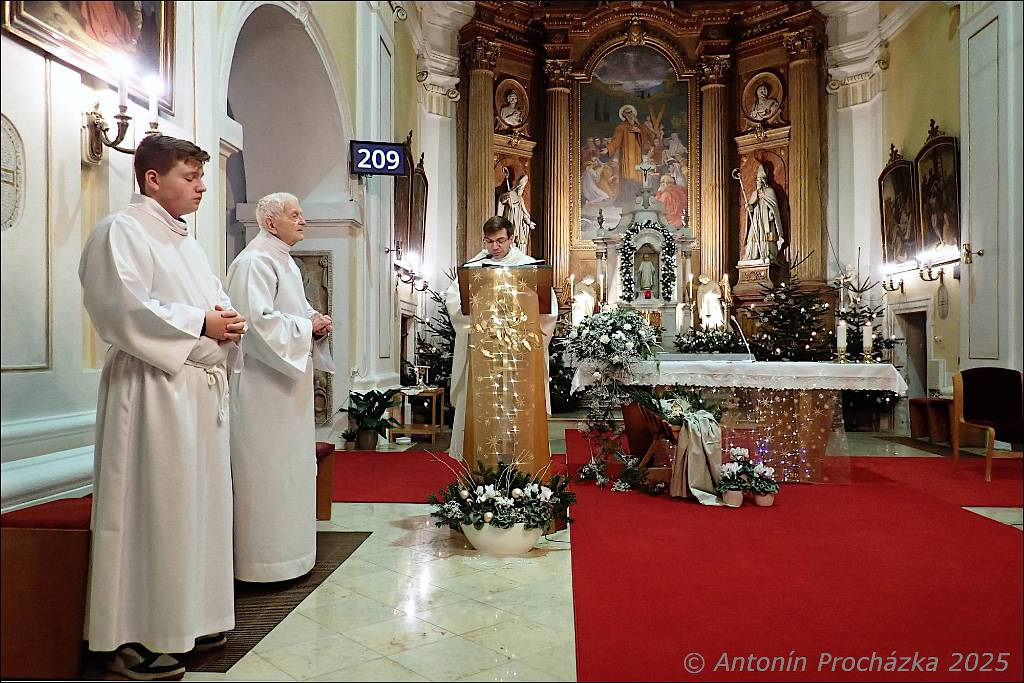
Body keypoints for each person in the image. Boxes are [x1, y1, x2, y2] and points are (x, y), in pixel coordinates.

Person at [79, 134, 245, 680]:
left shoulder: (186, 243)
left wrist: (227, 324)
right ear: (152, 180)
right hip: (151, 391)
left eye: (201, 176)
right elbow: (121, 306)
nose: (201, 186)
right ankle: (134, 635)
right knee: (155, 509)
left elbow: (212, 304)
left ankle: (189, 618)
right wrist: (203, 325)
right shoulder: (121, 232)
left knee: (194, 510)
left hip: (195, 392)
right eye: (189, 176)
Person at [226, 192, 335, 583]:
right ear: (271, 223)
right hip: (262, 390)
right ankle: (262, 563)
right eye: (295, 214)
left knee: (290, 472)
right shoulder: (254, 262)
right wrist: (308, 327)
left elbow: (291, 311)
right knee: (266, 472)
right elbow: (255, 324)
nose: (303, 220)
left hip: (286, 390)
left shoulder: (281, 261)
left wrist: (313, 319)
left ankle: (293, 555)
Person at [444, 216, 557, 461]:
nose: (495, 247)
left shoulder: (529, 267)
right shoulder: (474, 268)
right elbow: (455, 301)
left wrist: (526, 338)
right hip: (483, 351)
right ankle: (480, 459)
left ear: (512, 238)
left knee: (515, 407)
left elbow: (547, 311)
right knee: (484, 408)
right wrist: (481, 328)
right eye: (489, 241)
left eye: (500, 241)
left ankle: (520, 458)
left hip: (520, 353)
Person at [607, 104, 650, 198]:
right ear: (624, 115)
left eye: (631, 112)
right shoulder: (621, 127)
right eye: (627, 113)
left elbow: (646, 139)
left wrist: (639, 130)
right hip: (626, 157)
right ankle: (628, 197)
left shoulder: (639, 126)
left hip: (637, 156)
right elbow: (616, 141)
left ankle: (638, 196)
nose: (630, 115)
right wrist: (608, 149)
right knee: (628, 174)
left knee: (638, 173)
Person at [743, 163, 783, 262]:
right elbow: (751, 209)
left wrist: (771, 213)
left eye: (760, 180)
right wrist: (749, 207)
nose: (758, 182)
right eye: (757, 181)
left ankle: (767, 254)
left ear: (764, 181)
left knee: (766, 235)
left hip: (766, 220)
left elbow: (774, 206)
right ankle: (752, 255)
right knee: (753, 234)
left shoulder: (769, 191)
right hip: (756, 219)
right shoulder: (754, 193)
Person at [496, 171, 536, 251]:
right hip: (510, 221)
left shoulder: (520, 199)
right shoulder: (511, 194)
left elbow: (524, 213)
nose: (522, 190)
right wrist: (507, 196)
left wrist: (529, 222)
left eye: (523, 188)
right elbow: (502, 200)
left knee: (520, 241)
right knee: (510, 238)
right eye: (521, 188)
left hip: (519, 225)